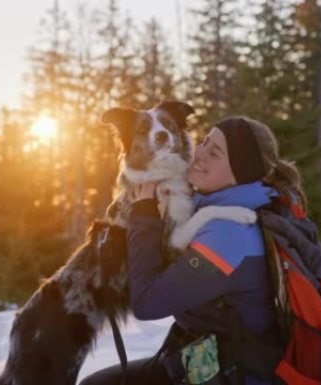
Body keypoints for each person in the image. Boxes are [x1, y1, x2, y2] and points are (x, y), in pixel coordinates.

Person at [80, 116, 308, 385]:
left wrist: (144, 211)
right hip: (204, 360)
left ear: (240, 172)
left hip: (235, 373)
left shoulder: (230, 235)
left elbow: (147, 303)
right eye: (203, 142)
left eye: (214, 153)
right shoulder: (220, 203)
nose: (198, 154)